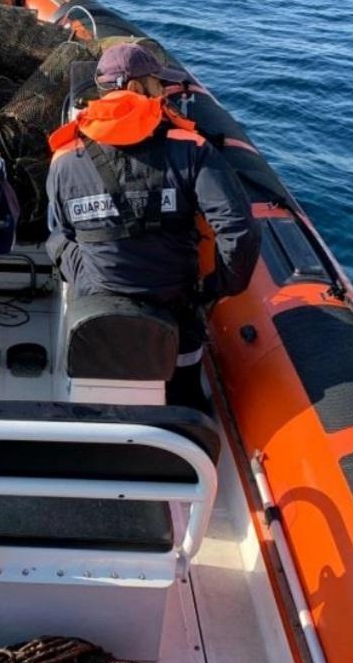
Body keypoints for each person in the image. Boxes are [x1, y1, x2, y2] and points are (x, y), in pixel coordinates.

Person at [45, 43, 260, 407]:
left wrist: (90, 276)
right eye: (158, 84)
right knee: (185, 394)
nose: (165, 92)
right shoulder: (192, 149)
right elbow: (239, 230)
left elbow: (59, 234)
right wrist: (211, 289)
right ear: (136, 88)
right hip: (175, 305)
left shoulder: (65, 158)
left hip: (98, 296)